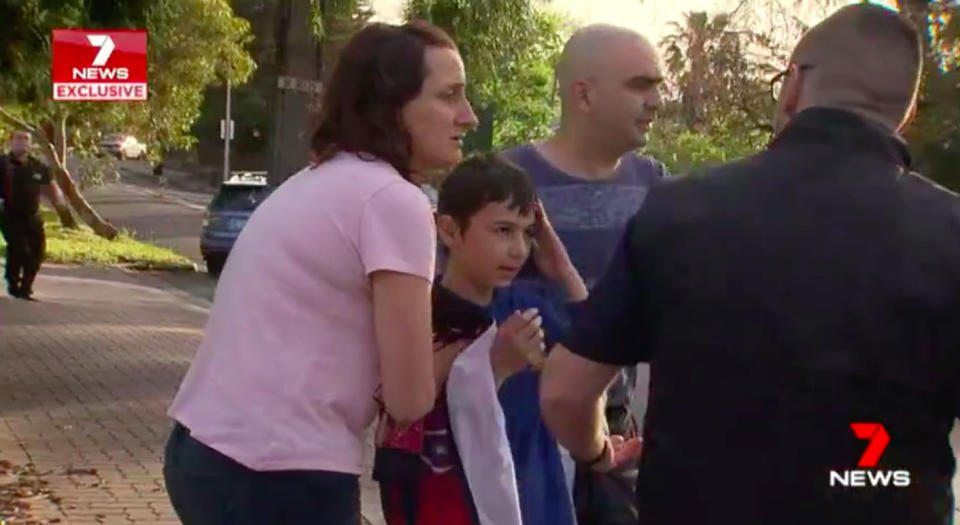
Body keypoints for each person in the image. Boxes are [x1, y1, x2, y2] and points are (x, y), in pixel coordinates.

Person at [541, 4, 960, 524]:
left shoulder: (680, 210)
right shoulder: (949, 234)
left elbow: (564, 392)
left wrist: (599, 455)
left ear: (794, 86)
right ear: (906, 109)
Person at [163, 20, 478, 525]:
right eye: (449, 97)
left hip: (206, 451)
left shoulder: (320, 179)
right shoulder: (393, 201)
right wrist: (471, 348)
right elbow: (410, 397)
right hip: (277, 472)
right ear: (393, 106)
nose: (469, 116)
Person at [375, 154, 597, 525]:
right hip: (458, 504)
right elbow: (405, 415)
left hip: (540, 498)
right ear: (449, 230)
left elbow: (595, 350)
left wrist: (563, 268)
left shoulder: (525, 305)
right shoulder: (422, 315)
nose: (519, 249)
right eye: (503, 230)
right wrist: (493, 367)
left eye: (528, 233)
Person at [505, 24, 668, 440]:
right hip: (519, 439)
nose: (657, 102)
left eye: (657, 86)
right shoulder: (507, 180)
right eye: (640, 85)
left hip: (612, 433)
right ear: (584, 95)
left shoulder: (656, 186)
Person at [0, 130, 61, 300]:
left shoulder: (37, 166)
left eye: (26, 139)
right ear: (11, 141)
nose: (22, 142)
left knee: (37, 252)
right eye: (18, 138)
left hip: (32, 215)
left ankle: (26, 288)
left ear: (30, 143)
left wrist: (58, 202)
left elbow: (51, 187)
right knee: (19, 249)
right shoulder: (3, 163)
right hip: (10, 214)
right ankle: (13, 284)